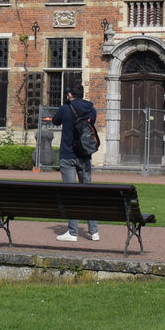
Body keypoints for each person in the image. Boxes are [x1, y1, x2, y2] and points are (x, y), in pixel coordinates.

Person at [47, 82, 99, 242]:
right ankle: (94, 232)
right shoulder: (91, 109)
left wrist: (66, 106)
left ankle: (73, 232)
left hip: (68, 155)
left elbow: (55, 121)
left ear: (70, 95)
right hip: (84, 156)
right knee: (87, 194)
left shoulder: (65, 109)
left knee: (70, 194)